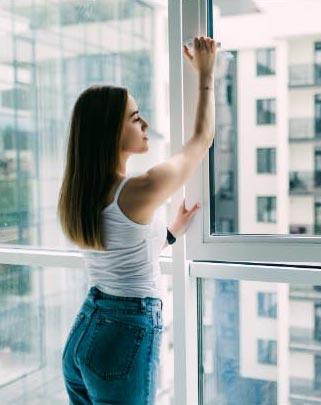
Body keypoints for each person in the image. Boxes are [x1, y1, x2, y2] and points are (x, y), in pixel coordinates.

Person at [58, 36, 217, 404]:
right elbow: (202, 138)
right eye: (134, 117)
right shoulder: (140, 189)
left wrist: (171, 233)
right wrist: (206, 74)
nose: (144, 123)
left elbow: (123, 251)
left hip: (86, 332)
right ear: (112, 131)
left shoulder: (81, 195)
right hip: (123, 335)